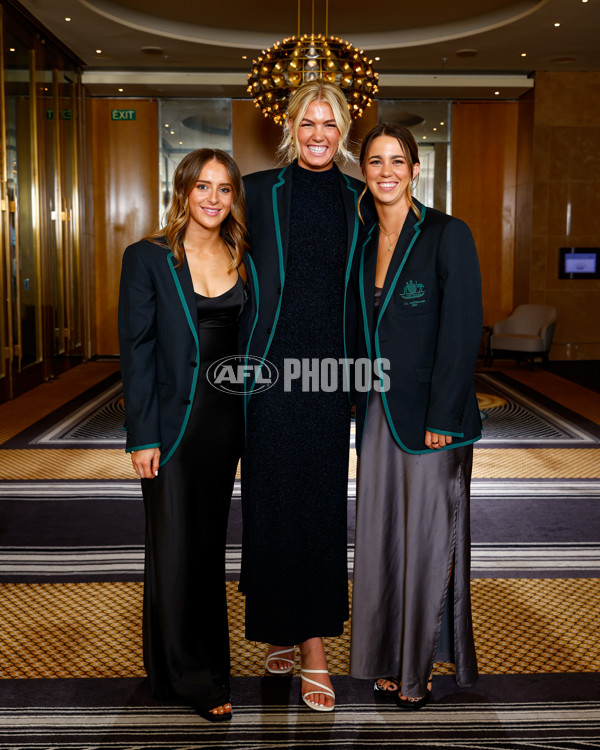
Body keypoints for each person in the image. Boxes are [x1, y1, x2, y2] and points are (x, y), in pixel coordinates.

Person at [239, 81, 364, 712]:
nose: (318, 135)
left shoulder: (360, 198)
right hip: (268, 375)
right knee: (269, 505)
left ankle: (312, 643)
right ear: (289, 126)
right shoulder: (255, 191)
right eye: (308, 123)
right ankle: (278, 626)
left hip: (328, 379)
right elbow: (213, 261)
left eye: (330, 124)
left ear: (343, 134)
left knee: (318, 508)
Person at [348, 123, 481, 708]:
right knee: (382, 537)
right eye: (375, 161)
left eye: (397, 160)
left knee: (426, 540)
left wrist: (444, 416)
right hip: (376, 409)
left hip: (431, 415)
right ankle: (386, 657)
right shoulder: (361, 240)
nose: (386, 171)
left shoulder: (447, 234)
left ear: (415, 169)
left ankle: (415, 670)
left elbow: (461, 329)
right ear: (363, 171)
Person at [118, 148, 250, 722]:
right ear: (183, 191)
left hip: (227, 427)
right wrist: (142, 435)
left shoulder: (244, 255)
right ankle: (192, 676)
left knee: (207, 547)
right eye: (203, 186)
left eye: (224, 188)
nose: (213, 198)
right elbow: (137, 352)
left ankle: (180, 668)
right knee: (173, 548)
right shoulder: (148, 257)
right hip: (172, 427)